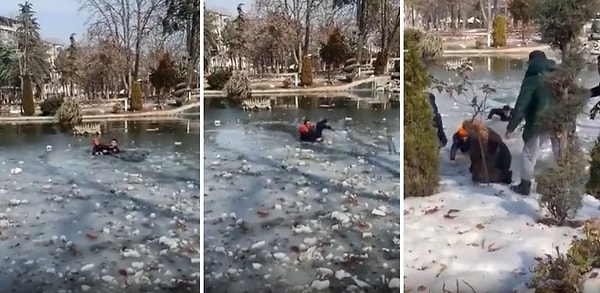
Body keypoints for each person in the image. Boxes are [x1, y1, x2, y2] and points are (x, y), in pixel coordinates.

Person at [505, 50, 557, 195]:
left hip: (537, 123)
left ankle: (525, 186)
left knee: (529, 155)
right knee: (560, 154)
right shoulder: (558, 75)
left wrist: (511, 127)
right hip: (559, 120)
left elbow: (521, 105)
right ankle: (562, 185)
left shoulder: (532, 79)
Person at [462, 119, 513, 184]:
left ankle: (504, 176)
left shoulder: (483, 135)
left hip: (499, 158)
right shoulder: (474, 136)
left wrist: (479, 167)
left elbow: (483, 154)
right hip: (491, 156)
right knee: (475, 175)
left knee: (480, 177)